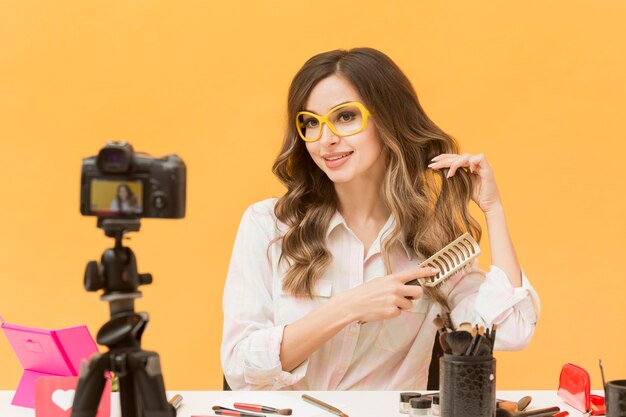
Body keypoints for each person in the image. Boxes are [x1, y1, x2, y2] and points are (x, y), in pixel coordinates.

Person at [221, 47, 539, 390]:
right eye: (311, 123)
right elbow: (239, 367)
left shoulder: (431, 241)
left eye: (345, 117)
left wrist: (494, 210)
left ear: (388, 120)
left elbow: (512, 330)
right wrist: (348, 307)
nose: (326, 139)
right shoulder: (269, 226)